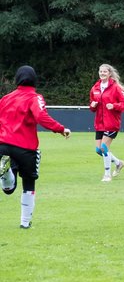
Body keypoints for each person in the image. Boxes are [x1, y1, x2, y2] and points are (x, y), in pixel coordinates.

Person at [0, 65, 71, 229]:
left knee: (9, 189)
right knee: (29, 183)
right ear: (34, 79)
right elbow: (41, 116)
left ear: (17, 79)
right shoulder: (35, 97)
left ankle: (6, 174)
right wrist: (60, 128)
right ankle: (25, 223)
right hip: (25, 147)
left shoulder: (5, 98)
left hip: (3, 145)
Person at [90, 63, 124, 181]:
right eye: (100, 71)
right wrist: (92, 106)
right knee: (98, 150)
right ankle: (118, 163)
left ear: (109, 73)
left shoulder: (115, 87)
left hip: (111, 123)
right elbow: (92, 107)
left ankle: (107, 174)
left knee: (104, 148)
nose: (102, 73)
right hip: (99, 123)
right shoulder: (95, 88)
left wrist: (114, 105)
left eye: (105, 72)